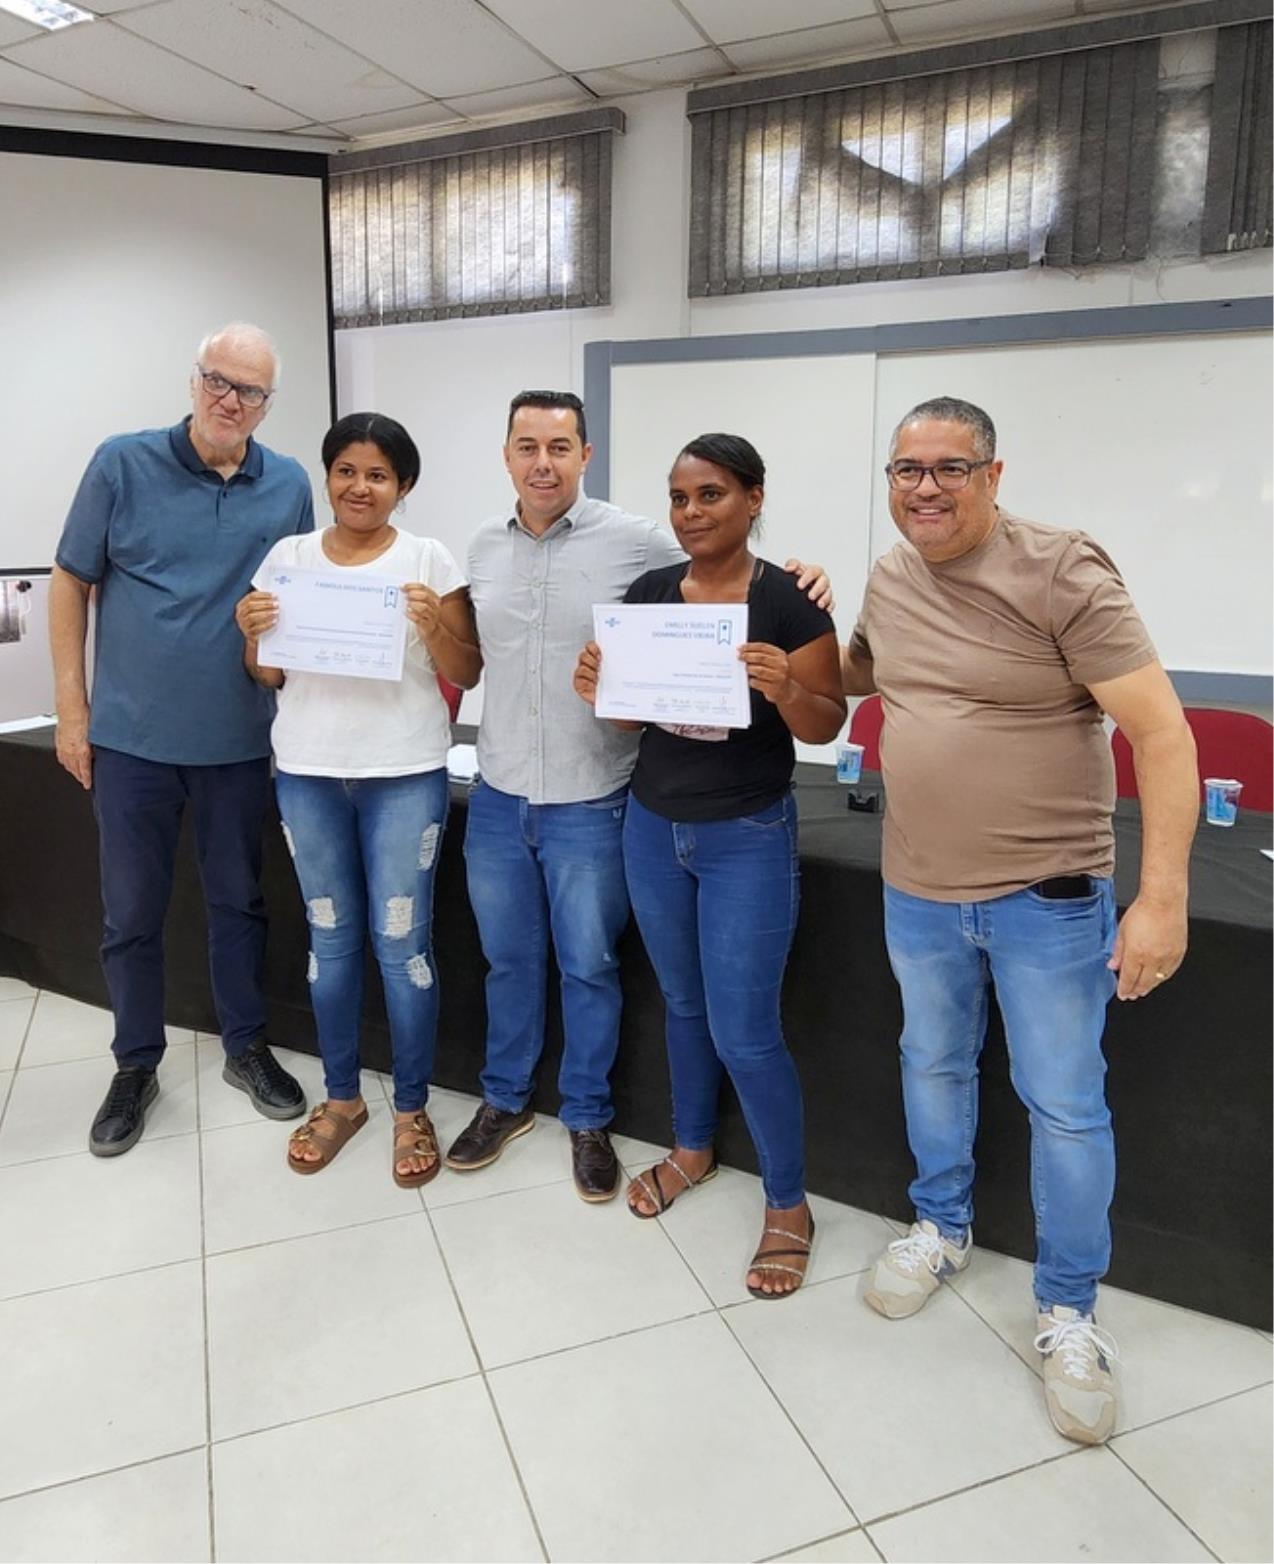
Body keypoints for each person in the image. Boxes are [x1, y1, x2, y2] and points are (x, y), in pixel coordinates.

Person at [844, 396, 1198, 1443]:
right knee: (931, 1064)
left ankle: (1068, 1310)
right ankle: (940, 1226)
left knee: (1064, 1105)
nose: (924, 488)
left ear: (993, 476)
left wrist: (1162, 898)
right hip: (917, 890)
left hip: (1046, 897)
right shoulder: (890, 575)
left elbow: (1162, 735)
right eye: (906, 470)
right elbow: (859, 673)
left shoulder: (1062, 570)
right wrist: (796, 612)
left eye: (948, 468)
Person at [447, 391, 832, 1203]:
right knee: (521, 965)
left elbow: (805, 687)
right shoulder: (492, 551)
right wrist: (605, 685)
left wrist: (807, 589)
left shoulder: (646, 548)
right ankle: (519, 1104)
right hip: (526, 795)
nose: (692, 513)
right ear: (507, 454)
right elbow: (611, 697)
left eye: (559, 445)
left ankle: (601, 1122)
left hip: (626, 804)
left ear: (585, 455)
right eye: (526, 446)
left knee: (607, 974)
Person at [573, 433, 845, 1295]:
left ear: (754, 499)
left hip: (746, 835)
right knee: (683, 1006)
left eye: (712, 494)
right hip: (653, 827)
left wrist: (786, 687)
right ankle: (692, 1149)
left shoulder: (789, 602)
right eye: (680, 497)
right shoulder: (650, 593)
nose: (691, 512)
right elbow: (628, 720)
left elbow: (826, 723)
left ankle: (790, 1204)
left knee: (746, 1031)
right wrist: (600, 688)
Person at [51, 323, 313, 1157]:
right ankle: (136, 1064)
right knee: (131, 914)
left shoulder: (289, 484)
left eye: (250, 391)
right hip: (132, 741)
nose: (230, 400)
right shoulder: (120, 463)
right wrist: (72, 711)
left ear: (268, 405)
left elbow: (301, 602)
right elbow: (71, 580)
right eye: (218, 381)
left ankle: (245, 1046)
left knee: (240, 902)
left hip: (238, 741)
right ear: (194, 381)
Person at [236, 414, 480, 1186]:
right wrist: (251, 632)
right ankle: (343, 1098)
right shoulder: (288, 559)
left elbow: (467, 671)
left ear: (403, 485)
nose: (359, 487)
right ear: (328, 477)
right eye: (346, 470)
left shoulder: (428, 558)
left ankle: (411, 1108)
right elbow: (268, 673)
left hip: (404, 771)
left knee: (402, 945)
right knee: (330, 941)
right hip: (308, 772)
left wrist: (433, 624)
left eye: (378, 475)